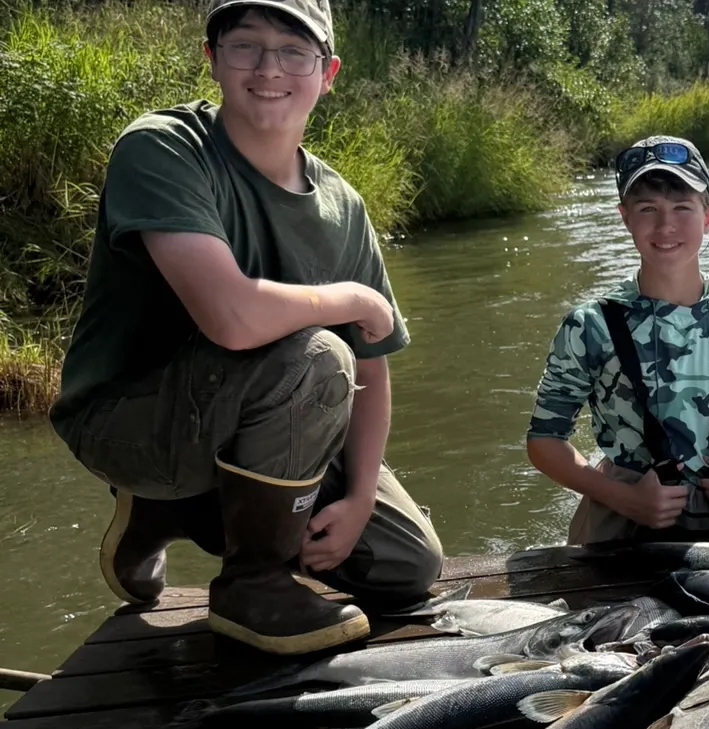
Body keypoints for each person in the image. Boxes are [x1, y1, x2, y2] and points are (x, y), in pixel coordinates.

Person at [49, 0, 442, 655]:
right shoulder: (162, 148)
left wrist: (360, 499)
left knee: (406, 564)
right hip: (130, 423)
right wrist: (348, 297)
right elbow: (231, 319)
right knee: (318, 357)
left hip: (262, 418)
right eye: (246, 47)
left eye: (294, 52)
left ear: (328, 72)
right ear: (212, 59)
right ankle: (252, 582)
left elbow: (372, 365)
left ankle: (173, 513)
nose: (269, 68)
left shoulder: (344, 206)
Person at [526, 136, 709, 544]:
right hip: (622, 521)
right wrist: (623, 497)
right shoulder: (589, 325)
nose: (665, 226)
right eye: (647, 209)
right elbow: (544, 441)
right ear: (624, 217)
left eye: (682, 208)